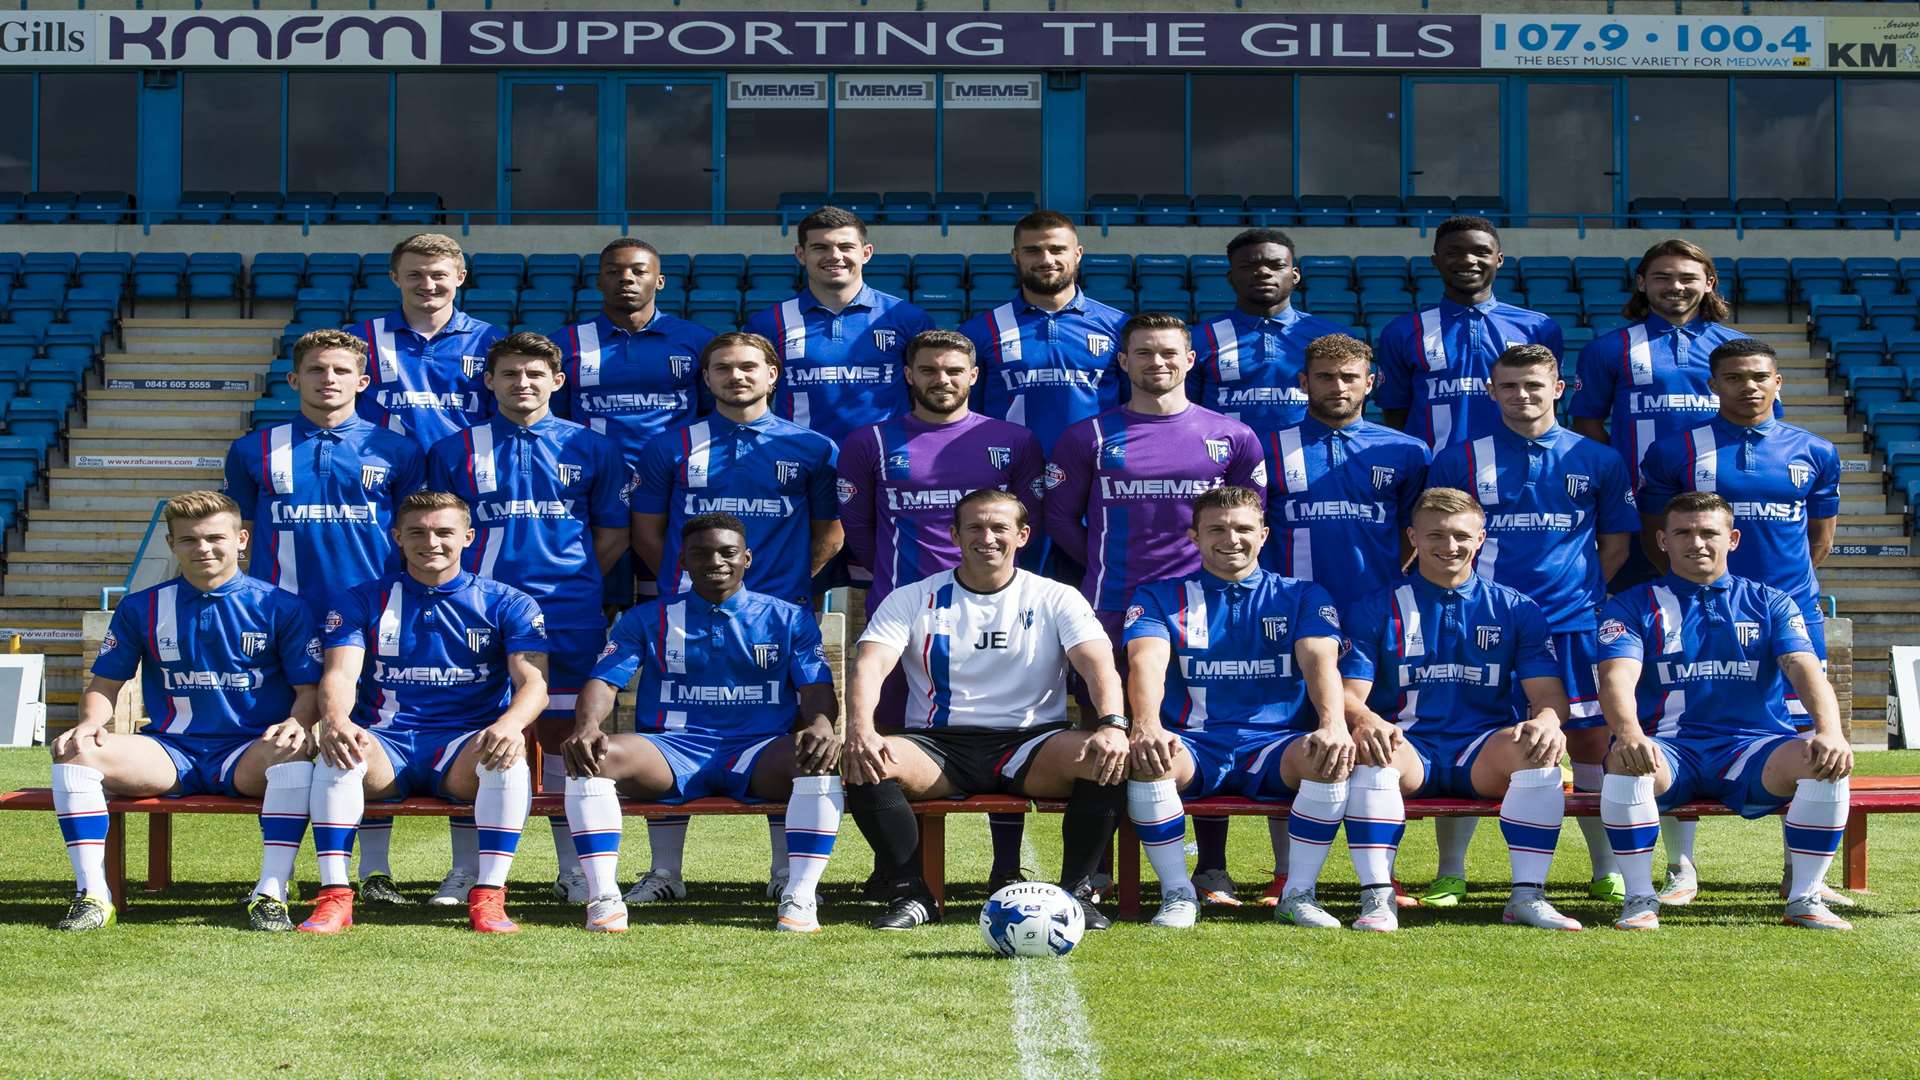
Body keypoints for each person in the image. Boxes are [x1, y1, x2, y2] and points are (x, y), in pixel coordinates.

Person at [842, 489, 1131, 930]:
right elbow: (869, 665)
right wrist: (860, 729)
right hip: (939, 745)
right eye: (974, 527)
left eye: (999, 528)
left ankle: (1076, 894)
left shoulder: (1056, 596)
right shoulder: (912, 597)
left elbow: (1099, 666)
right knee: (868, 763)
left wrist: (1112, 723)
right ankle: (910, 893)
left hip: (1033, 742)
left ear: (1023, 535)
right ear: (955, 535)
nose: (987, 537)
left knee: (1104, 757)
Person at [1423, 344, 1639, 906]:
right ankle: (1452, 871)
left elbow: (1615, 545)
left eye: (1534, 386)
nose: (1523, 396)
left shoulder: (1599, 459)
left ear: (1558, 389)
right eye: (1510, 386)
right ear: (1491, 391)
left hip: (1569, 625)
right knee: (1471, 734)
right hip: (1479, 625)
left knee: (1591, 740)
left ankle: (1604, 867)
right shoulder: (1461, 460)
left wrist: (1578, 597)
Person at [628, 331, 840, 901]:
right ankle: (665, 873)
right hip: (687, 614)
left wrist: (787, 587)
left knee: (783, 733)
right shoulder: (668, 446)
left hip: (780, 617)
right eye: (722, 367)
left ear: (774, 374)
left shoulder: (813, 448)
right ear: (706, 377)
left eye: (749, 367)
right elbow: (648, 533)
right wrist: (692, 586)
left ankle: (784, 874)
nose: (736, 376)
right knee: (670, 722)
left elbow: (830, 532)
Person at [50, 491, 321, 931]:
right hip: (170, 751)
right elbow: (104, 686)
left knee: (293, 757)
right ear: (172, 544)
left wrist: (297, 722)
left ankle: (271, 892)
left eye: (215, 538)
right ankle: (94, 896)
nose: (203, 549)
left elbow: (308, 690)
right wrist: (88, 724)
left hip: (247, 752)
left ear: (242, 540)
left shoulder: (281, 606)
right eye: (189, 540)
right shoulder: (143, 607)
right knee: (75, 754)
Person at [559, 513, 843, 933]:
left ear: (747, 558)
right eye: (701, 553)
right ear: (684, 562)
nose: (716, 561)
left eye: (728, 552)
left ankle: (798, 896)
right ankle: (604, 899)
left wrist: (821, 723)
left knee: (815, 758)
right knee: (594, 756)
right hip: (671, 750)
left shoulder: (788, 618)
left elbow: (817, 687)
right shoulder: (647, 617)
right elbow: (603, 680)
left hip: (757, 749)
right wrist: (587, 726)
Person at [1635, 338, 1844, 906]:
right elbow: (1660, 534)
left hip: (1787, 613)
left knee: (1804, 742)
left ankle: (1800, 875)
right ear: (1713, 385)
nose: (1746, 387)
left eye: (1758, 377)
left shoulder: (1815, 450)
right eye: (1732, 377)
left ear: (1778, 382)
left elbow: (1817, 540)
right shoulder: (1674, 450)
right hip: (1695, 612)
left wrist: (1775, 596)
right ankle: (1681, 869)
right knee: (1685, 727)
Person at [835, 328, 1045, 890]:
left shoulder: (1014, 441)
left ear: (974, 376)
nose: (941, 380)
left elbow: (1031, 526)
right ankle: (897, 867)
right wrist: (900, 584)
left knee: (1002, 729)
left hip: (993, 613)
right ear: (909, 375)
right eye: (928, 369)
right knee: (886, 741)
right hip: (902, 615)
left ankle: (1007, 864)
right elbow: (858, 530)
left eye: (954, 370)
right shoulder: (870, 443)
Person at [427, 332, 630, 907]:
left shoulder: (592, 448)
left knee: (569, 736)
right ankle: (466, 870)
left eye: (535, 374)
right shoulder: (452, 450)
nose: (523, 384)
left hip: (569, 612)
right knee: (476, 733)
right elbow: (439, 534)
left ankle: (572, 869)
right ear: (488, 381)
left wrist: (573, 579)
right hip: (473, 612)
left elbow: (611, 533)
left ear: (557, 382)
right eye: (510, 374)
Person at [223, 328, 425, 904]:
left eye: (340, 370)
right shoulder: (252, 450)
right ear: (294, 380)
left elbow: (412, 533)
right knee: (287, 737)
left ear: (363, 381)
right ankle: (279, 875)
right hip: (281, 615)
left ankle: (376, 872)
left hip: (371, 613)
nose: (328, 379)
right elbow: (245, 529)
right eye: (315, 370)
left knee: (366, 733)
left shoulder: (399, 451)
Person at [1596, 491, 1853, 931]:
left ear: (1732, 539)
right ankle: (1640, 899)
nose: (1696, 542)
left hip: (1754, 749)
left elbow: (1804, 668)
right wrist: (1629, 733)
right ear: (1662, 540)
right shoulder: (1632, 604)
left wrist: (1830, 731)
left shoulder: (1771, 602)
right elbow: (1616, 676)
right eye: (1683, 532)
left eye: (1708, 532)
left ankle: (1805, 897)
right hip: (1671, 749)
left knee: (1823, 759)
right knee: (1625, 761)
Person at [1233, 333, 1428, 906]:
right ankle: (1286, 873)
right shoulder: (1267, 448)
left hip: (1374, 619)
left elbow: (1414, 535)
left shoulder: (1406, 451)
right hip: (1289, 617)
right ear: (1303, 382)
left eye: (1349, 377)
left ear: (1371, 383)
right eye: (1325, 376)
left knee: (1374, 741)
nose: (1337, 387)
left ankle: (1381, 875)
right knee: (1299, 733)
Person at [298, 491, 549, 935]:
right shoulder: (360, 600)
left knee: (509, 757)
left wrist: (510, 724)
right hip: (387, 743)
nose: (430, 541)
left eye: (443, 532)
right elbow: (339, 675)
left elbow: (534, 684)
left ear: (468, 537)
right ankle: (334, 897)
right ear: (397, 537)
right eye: (417, 531)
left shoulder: (509, 602)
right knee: (339, 750)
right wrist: (335, 721)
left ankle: (489, 896)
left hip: (461, 746)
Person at [1334, 487, 1582, 932]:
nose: (1449, 547)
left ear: (1481, 538)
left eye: (1461, 536)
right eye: (1436, 536)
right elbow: (1349, 694)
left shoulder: (1515, 608)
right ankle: (1377, 899)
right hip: (1409, 745)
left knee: (1538, 751)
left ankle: (1527, 897)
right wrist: (1367, 719)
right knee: (1373, 750)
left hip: (1481, 749)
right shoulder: (1375, 606)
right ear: (1412, 536)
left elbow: (1548, 694)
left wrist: (1546, 721)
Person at [1121, 486, 1349, 929]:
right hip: (1195, 742)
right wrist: (1146, 725)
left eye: (1244, 528)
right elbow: (1144, 661)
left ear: (1263, 534)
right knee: (1149, 759)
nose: (1232, 539)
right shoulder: (1159, 595)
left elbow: (1320, 660)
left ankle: (1298, 893)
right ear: (1194, 537)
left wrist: (1333, 724)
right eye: (1217, 529)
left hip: (1275, 744)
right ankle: (1177, 894)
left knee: (1329, 756)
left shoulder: (1304, 595)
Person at [1044, 312, 1266, 649]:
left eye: (1168, 353)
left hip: (1204, 598)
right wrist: (1102, 558)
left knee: (1202, 702)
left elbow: (1251, 517)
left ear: (1189, 360)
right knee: (1109, 700)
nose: (1157, 362)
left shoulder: (1233, 436)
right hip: (1113, 598)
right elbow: (1060, 518)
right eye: (1144, 353)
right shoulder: (1088, 436)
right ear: (1123, 360)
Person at [554, 238, 715, 604]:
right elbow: (557, 419)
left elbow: (709, 415)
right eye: (613, 271)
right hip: (593, 486)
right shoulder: (567, 344)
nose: (625, 279)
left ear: (659, 280)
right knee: (594, 597)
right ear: (598, 281)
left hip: (672, 485)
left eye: (638, 271)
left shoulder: (697, 341)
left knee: (666, 597)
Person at [1568, 238, 1751, 504]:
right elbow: (1586, 423)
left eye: (1688, 278)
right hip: (1639, 495)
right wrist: (1620, 470)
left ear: (1709, 283)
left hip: (1723, 492)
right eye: (1662, 277)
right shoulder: (1606, 348)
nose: (1675, 286)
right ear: (1642, 283)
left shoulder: (1739, 348)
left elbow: (1761, 421)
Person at [742, 206, 934, 446]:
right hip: (800, 460)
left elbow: (929, 393)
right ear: (800, 254)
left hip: (886, 457)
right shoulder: (768, 323)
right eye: (820, 247)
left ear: (866, 253)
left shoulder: (907, 318)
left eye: (846, 247)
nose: (834, 256)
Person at [1375, 216, 1562, 455]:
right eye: (1454, 252)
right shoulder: (1402, 331)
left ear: (1499, 259)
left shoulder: (1539, 327)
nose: (1468, 260)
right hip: (1434, 474)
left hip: (1516, 470)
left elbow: (1547, 406)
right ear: (1435, 261)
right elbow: (1395, 411)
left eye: (1482, 252)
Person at [959, 210, 1128, 456]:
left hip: (1095, 468)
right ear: (1015, 256)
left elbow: (1134, 408)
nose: (1046, 259)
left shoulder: (1119, 326)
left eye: (1057, 249)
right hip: (1011, 471)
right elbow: (967, 415)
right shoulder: (980, 330)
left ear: (1078, 253)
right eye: (1033, 250)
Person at [1189, 228, 1356, 438]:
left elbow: (1352, 410)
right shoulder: (1199, 338)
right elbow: (1187, 412)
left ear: (1295, 275)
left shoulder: (1334, 337)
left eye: (1276, 265)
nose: (1263, 272)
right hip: (1228, 462)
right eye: (1249, 266)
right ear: (1231, 278)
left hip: (1311, 463)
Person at [349, 233, 504, 450]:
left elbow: (504, 418)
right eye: (415, 275)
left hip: (463, 472)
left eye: (439, 275)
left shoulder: (490, 340)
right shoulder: (360, 339)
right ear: (395, 277)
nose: (428, 285)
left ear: (460, 277)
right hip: (383, 470)